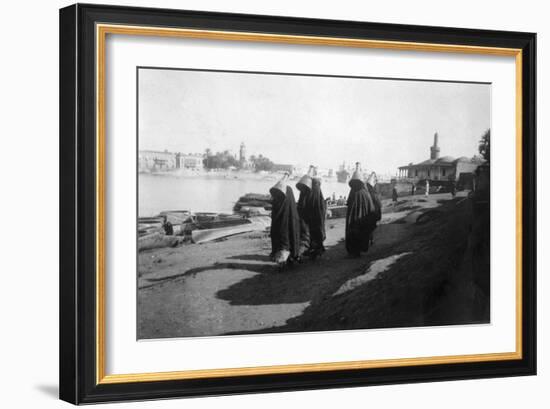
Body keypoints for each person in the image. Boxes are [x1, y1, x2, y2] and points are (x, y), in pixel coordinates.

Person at [345, 163, 377, 257]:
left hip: (352, 220)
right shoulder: (365, 193)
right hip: (361, 219)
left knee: (352, 233)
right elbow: (371, 208)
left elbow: (348, 204)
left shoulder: (353, 192)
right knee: (360, 232)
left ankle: (353, 251)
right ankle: (357, 251)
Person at [269, 172, 300, 266]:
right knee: (288, 239)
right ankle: (288, 258)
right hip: (286, 227)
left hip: (280, 227)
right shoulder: (290, 206)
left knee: (281, 240)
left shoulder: (277, 204)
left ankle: (282, 259)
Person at [305, 167, 326, 258]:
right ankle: (317, 250)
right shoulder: (319, 194)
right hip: (317, 219)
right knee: (317, 233)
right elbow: (322, 209)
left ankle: (313, 250)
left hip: (311, 219)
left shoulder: (309, 194)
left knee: (311, 234)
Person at [296, 165, 314, 258]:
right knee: (305, 237)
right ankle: (299, 254)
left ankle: (300, 253)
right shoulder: (306, 194)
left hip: (303, 218)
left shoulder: (304, 194)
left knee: (303, 236)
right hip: (304, 219)